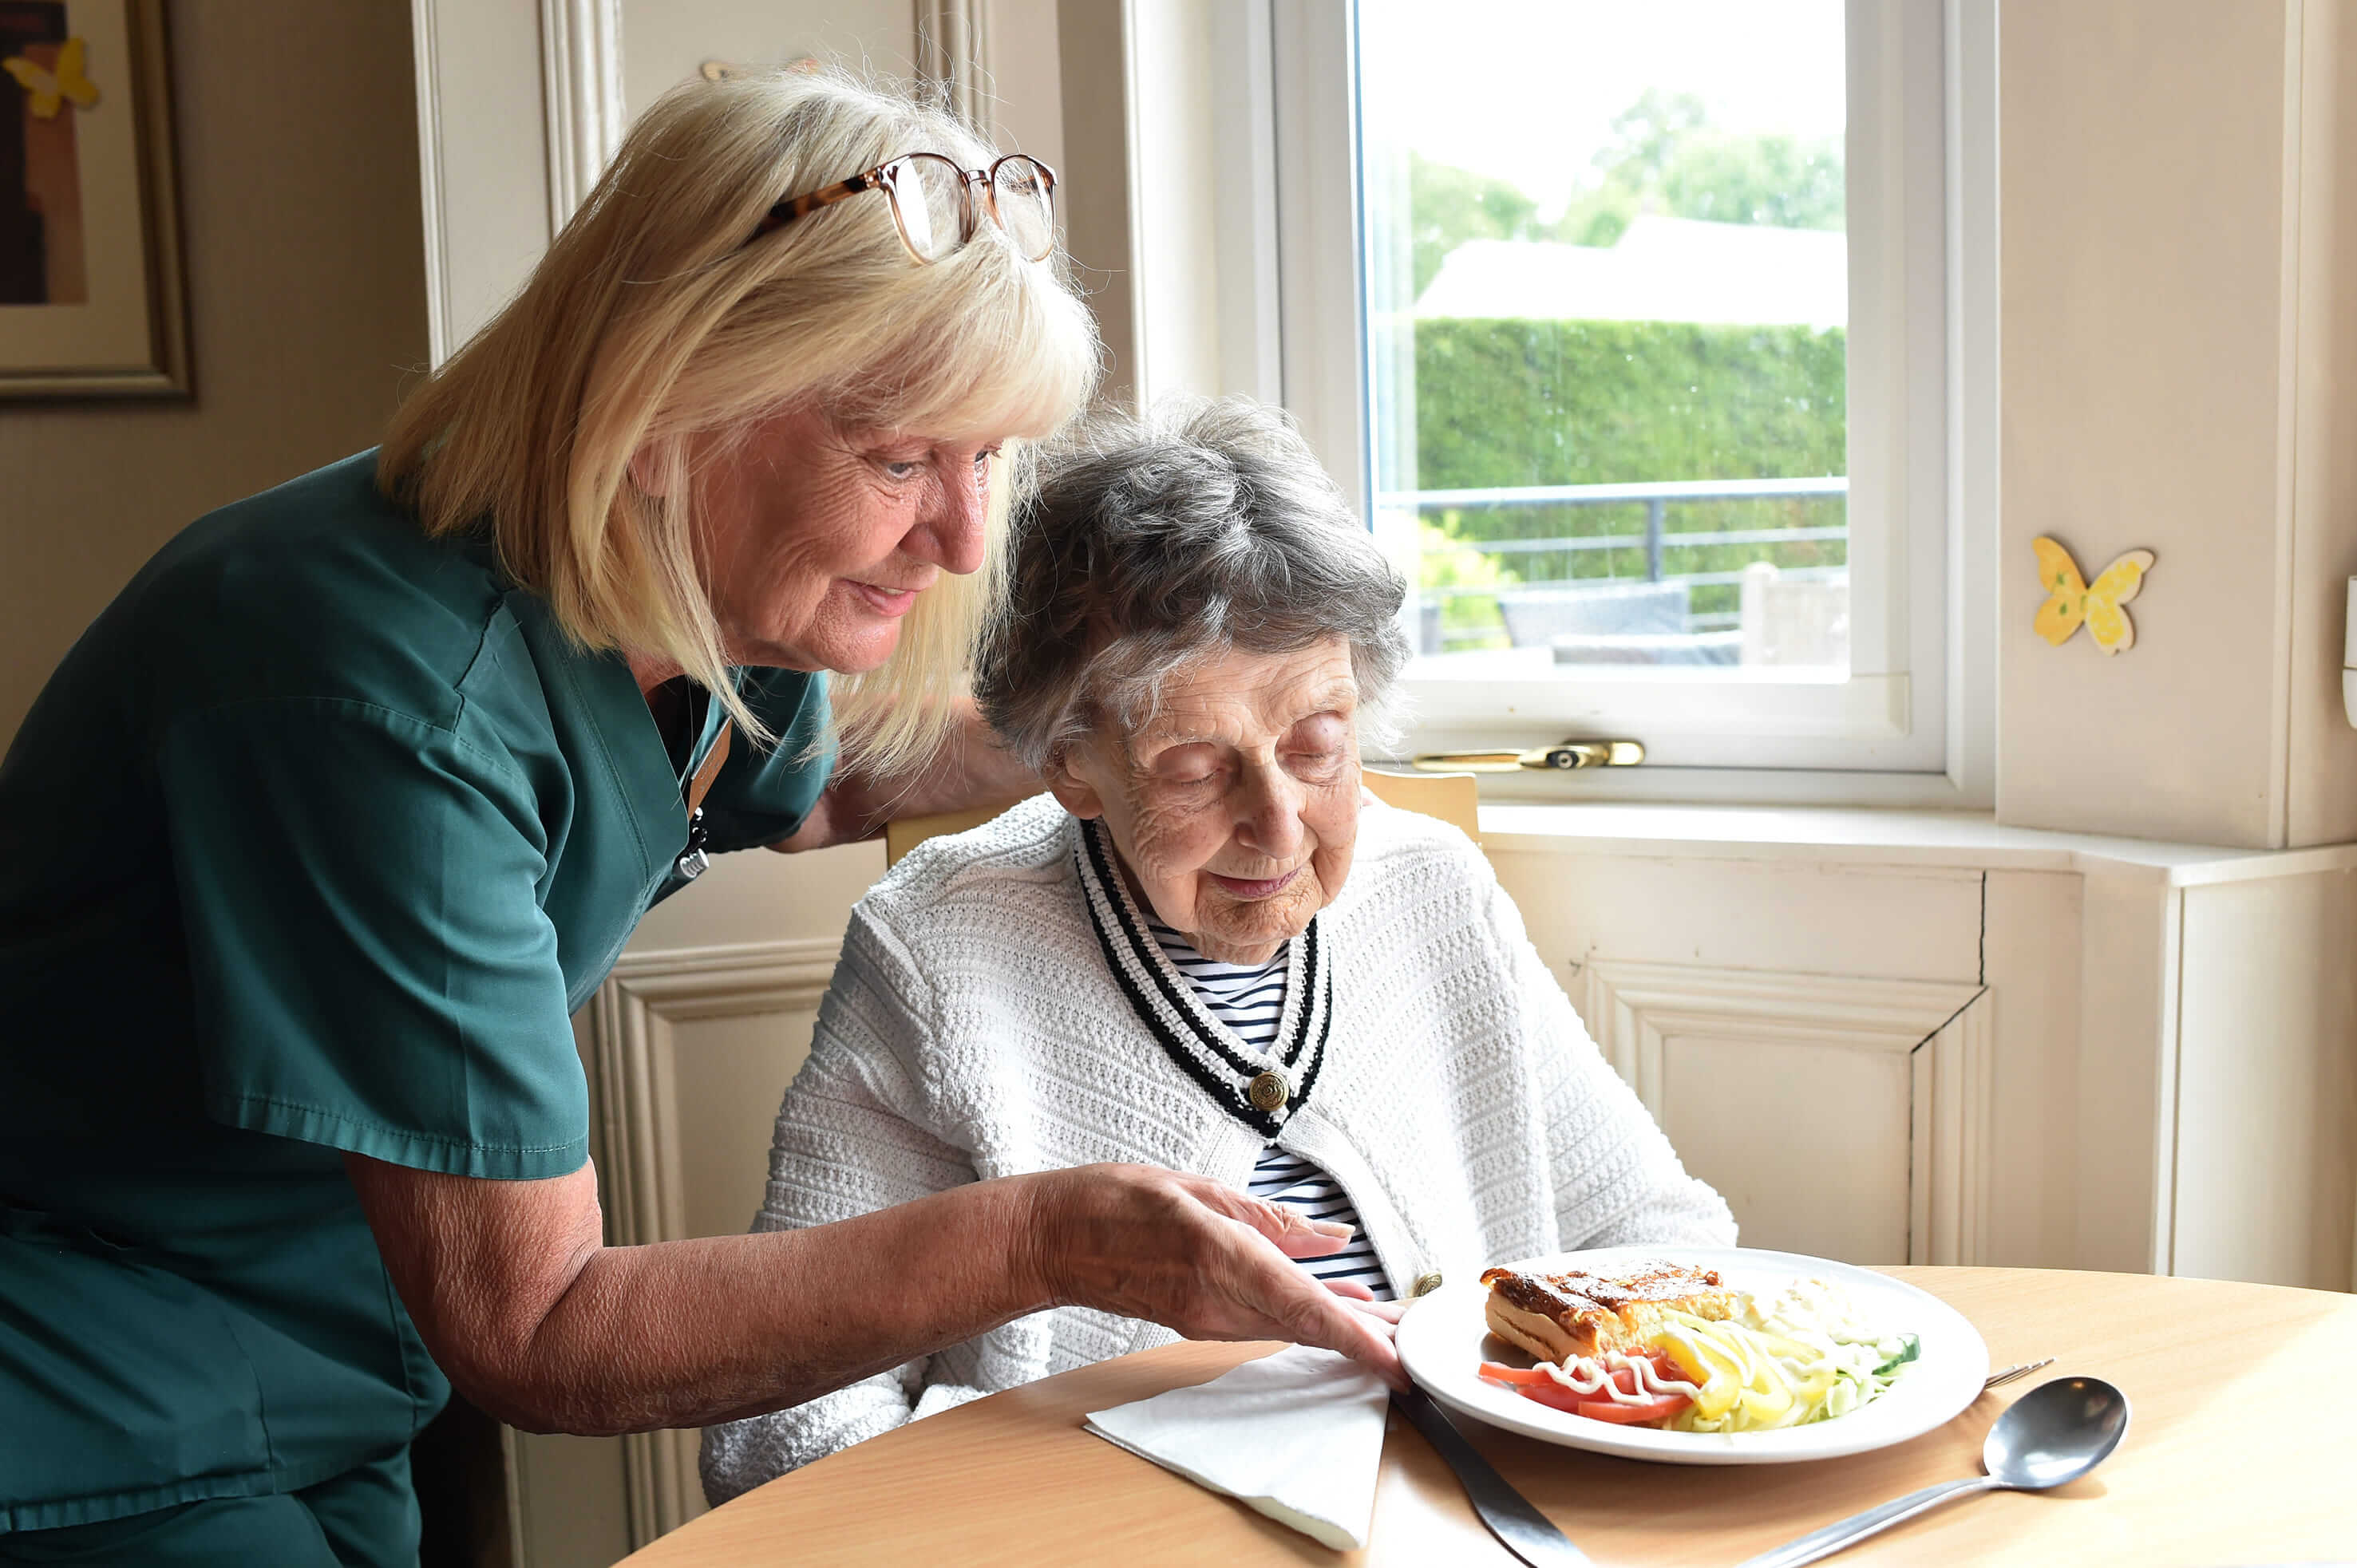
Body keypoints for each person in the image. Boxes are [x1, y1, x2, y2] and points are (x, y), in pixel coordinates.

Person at [0, 75, 1394, 1566]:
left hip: (314, 1370)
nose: (966, 537)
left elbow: (823, 785)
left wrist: (1153, 733)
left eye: (987, 456)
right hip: (88, 1381)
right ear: (675, 401)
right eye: (901, 458)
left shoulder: (666, 594)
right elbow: (538, 1329)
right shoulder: (370, 698)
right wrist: (1042, 1239)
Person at [699, 397, 1735, 1498]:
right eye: (1196, 769)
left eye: (1317, 747)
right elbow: (783, 1421)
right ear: (1070, 763)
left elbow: (1654, 1236)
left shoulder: (1432, 888)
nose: (1280, 825)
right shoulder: (937, 952)